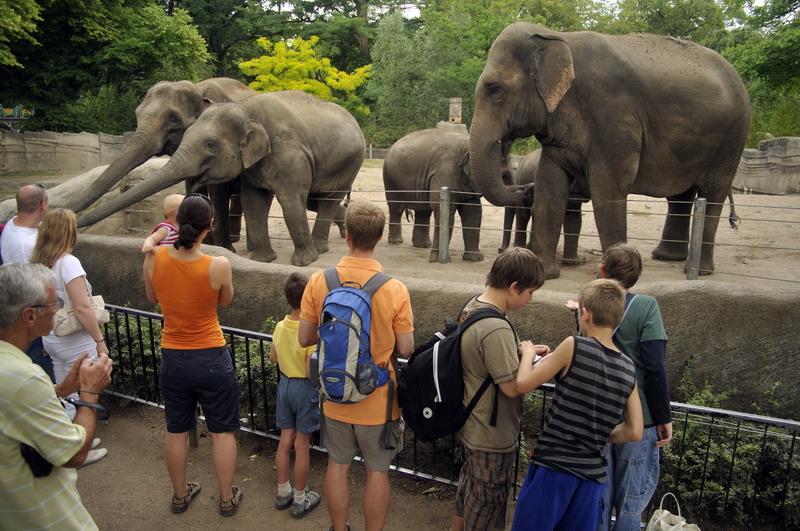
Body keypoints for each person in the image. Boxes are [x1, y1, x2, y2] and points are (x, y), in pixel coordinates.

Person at [298, 200, 414, 531]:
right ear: (379, 237)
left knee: (337, 466)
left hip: (334, 394)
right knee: (377, 472)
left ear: (347, 235)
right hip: (377, 400)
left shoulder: (320, 280)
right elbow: (406, 348)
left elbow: (305, 338)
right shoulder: (395, 289)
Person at [512, 279, 644, 531]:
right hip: (592, 479)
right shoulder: (629, 369)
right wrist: (596, 434)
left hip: (554, 467)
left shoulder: (574, 345)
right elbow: (635, 431)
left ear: (585, 314)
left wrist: (528, 354)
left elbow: (523, 384)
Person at [143, 192, 242, 516]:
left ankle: (179, 496)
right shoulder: (218, 265)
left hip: (173, 356)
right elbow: (224, 302)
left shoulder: (154, 256)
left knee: (176, 429)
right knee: (222, 431)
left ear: (177, 221)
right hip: (211, 356)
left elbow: (152, 297)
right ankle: (226, 499)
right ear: (210, 225)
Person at [0, 262, 113, 529]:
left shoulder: (12, 371)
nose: (57, 309)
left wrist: (60, 391)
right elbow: (73, 454)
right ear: (29, 316)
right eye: (55, 303)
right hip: (42, 517)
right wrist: (89, 393)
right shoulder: (24, 378)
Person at [451, 247, 549, 531]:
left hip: (472, 423)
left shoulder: (474, 305)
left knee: (469, 488)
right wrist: (528, 356)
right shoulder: (496, 327)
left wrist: (521, 352)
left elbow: (485, 358)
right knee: (487, 504)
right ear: (514, 287)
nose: (531, 299)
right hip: (491, 435)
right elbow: (512, 387)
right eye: (530, 292)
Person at [596, 243, 672, 530]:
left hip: (600, 417)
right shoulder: (646, 306)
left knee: (599, 498)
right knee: (630, 503)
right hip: (640, 420)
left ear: (603, 271)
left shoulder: (591, 304)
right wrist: (663, 417)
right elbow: (655, 367)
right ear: (637, 275)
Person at [30, 208, 110, 465]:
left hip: (52, 336)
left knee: (64, 391)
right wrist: (99, 341)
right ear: (69, 232)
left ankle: (68, 441)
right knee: (85, 391)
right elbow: (83, 307)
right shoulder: (68, 262)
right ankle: (78, 450)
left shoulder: (39, 262)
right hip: (76, 339)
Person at [268, 271, 322, 519]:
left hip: (285, 385)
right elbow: (311, 370)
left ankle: (283, 492)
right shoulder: (310, 331)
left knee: (285, 440)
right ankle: (300, 499)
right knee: (302, 445)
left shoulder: (280, 326)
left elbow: (273, 357)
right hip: (304, 388)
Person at [0, 184, 55, 382]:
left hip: (20, 309)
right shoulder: (26, 246)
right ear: (43, 205)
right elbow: (34, 289)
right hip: (31, 317)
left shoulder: (12, 224)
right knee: (40, 370)